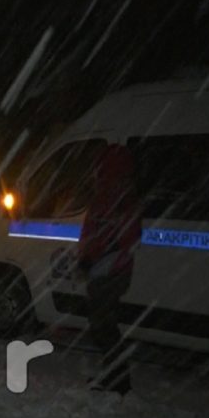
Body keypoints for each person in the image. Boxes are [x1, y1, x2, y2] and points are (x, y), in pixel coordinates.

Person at [77, 145, 142, 395]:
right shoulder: (116, 193)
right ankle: (114, 374)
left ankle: (118, 378)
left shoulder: (115, 196)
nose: (94, 169)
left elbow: (115, 237)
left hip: (107, 270)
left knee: (102, 325)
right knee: (103, 324)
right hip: (107, 268)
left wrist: (92, 259)